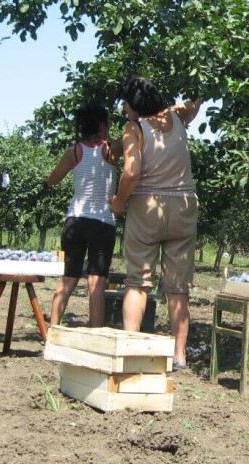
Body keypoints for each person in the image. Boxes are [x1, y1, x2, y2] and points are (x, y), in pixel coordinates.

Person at [110, 76, 201, 369]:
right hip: (184, 206)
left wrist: (120, 200)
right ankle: (179, 356)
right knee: (178, 287)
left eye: (125, 103)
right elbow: (196, 101)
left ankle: (131, 349)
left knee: (138, 282)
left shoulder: (133, 128)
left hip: (147, 207)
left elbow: (132, 171)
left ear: (133, 105)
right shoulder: (177, 116)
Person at [46, 105, 122, 327]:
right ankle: (95, 333)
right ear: (101, 125)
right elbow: (134, 135)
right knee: (96, 282)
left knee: (68, 278)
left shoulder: (74, 152)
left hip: (75, 221)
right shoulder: (111, 150)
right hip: (102, 223)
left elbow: (52, 180)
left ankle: (53, 329)